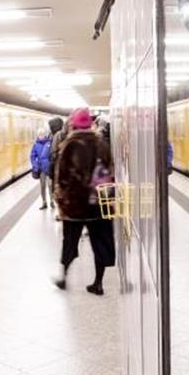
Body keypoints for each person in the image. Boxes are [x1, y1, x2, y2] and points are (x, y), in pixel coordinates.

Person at [52, 107, 116, 295]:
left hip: (75, 207)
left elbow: (61, 177)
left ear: (73, 124)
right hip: (99, 203)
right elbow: (110, 170)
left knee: (70, 242)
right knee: (100, 244)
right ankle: (98, 283)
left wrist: (60, 201)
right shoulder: (101, 143)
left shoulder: (69, 145)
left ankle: (63, 278)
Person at [30, 127, 53, 210]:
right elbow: (32, 156)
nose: (41, 136)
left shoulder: (49, 143)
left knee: (50, 185)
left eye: (42, 134)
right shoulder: (35, 145)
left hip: (49, 168)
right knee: (42, 186)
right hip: (41, 169)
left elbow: (52, 155)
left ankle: (52, 201)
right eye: (39, 135)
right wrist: (35, 165)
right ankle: (44, 202)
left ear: (45, 135)